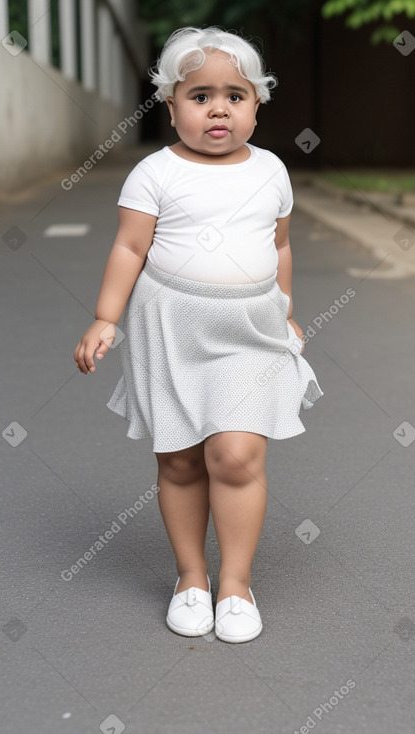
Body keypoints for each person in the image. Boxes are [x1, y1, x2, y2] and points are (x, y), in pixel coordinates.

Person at [73, 26, 323, 644]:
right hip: (171, 326)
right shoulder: (155, 173)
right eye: (200, 95)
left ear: (257, 105)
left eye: (235, 96)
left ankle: (235, 584)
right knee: (181, 460)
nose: (218, 108)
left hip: (249, 329)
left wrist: (287, 308)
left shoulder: (270, 170)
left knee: (236, 456)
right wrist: (107, 316)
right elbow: (131, 246)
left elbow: (280, 245)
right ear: (171, 103)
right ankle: (191, 578)